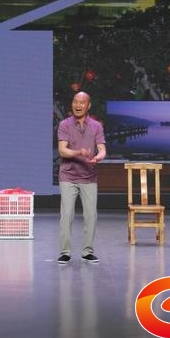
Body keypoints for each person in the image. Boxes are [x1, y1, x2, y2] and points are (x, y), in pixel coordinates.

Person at [57, 91, 106, 264]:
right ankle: (65, 252)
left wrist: (98, 157)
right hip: (68, 176)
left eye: (82, 102)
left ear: (88, 105)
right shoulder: (64, 124)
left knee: (91, 215)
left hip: (88, 176)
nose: (78, 105)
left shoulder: (96, 126)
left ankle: (87, 252)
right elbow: (62, 150)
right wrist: (79, 152)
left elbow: (102, 149)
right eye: (75, 102)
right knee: (66, 214)